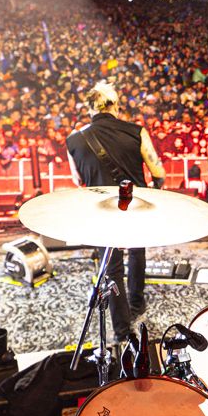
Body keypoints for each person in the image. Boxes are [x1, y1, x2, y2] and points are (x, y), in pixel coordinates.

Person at [66, 80, 165, 340]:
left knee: (112, 270)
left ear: (89, 109)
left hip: (101, 211)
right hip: (134, 204)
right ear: (116, 106)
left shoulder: (74, 140)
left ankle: (121, 330)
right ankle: (137, 303)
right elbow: (158, 172)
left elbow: (78, 180)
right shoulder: (137, 132)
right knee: (136, 252)